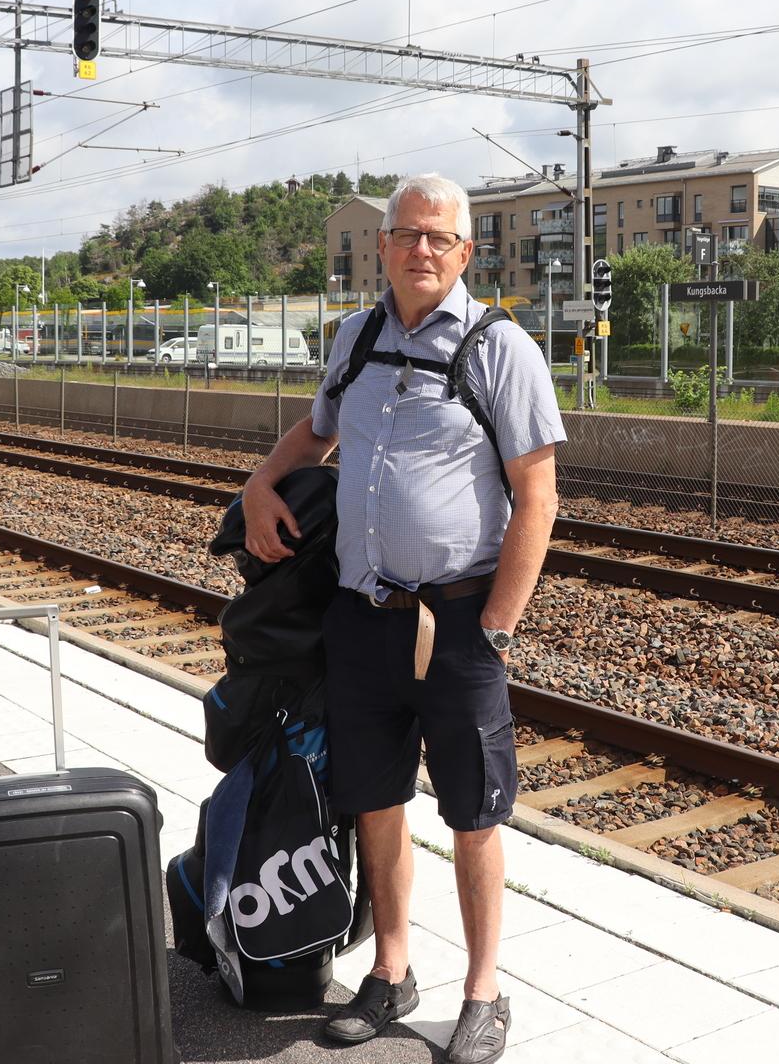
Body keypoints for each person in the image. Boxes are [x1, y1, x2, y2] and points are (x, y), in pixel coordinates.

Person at [241, 172, 563, 1064]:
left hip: (458, 622)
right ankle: (392, 971)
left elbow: (538, 496)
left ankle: (484, 991)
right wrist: (261, 483)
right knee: (376, 803)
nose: (421, 249)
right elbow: (317, 434)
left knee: (473, 815)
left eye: (439, 238)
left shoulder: (502, 349)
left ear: (465, 252)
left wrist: (495, 628)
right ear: (381, 246)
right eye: (406, 234)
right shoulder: (356, 337)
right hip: (364, 619)